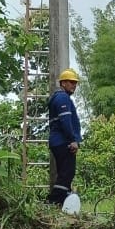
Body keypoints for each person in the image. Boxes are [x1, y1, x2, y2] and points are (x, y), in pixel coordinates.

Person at [47, 68, 82, 206]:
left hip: (58, 141)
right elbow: (65, 121)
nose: (74, 85)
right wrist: (73, 140)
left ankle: (63, 203)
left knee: (64, 173)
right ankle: (53, 201)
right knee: (67, 173)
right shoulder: (62, 98)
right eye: (71, 82)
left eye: (75, 83)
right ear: (63, 83)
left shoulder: (60, 97)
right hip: (63, 142)